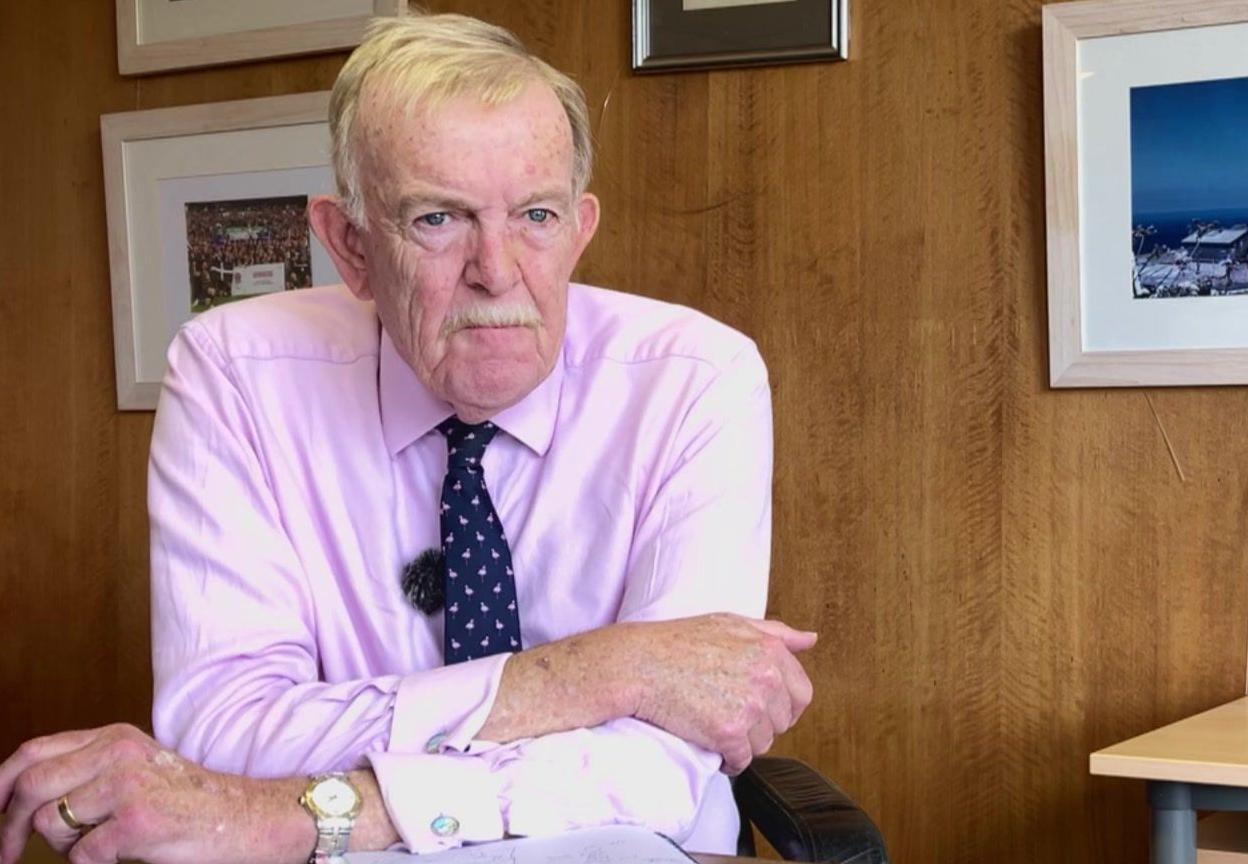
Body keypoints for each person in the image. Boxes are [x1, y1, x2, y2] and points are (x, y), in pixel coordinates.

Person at [0, 12, 815, 864]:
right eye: (438, 220)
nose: (497, 270)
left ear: (580, 229)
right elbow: (226, 730)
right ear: (350, 246)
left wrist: (311, 813)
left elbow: (659, 770)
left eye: (535, 215)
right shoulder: (235, 369)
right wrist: (601, 674)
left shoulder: (694, 378)